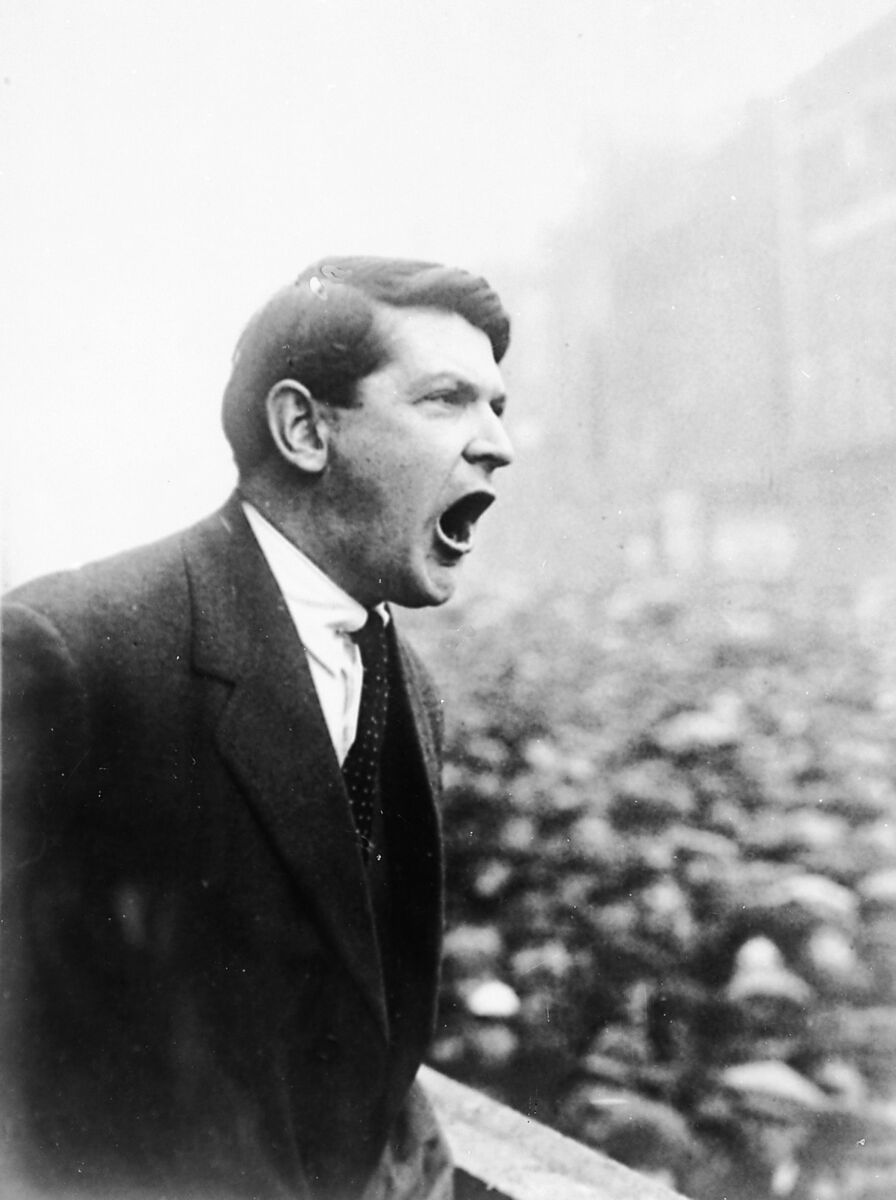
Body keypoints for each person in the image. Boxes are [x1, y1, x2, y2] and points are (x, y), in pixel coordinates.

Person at [1, 256, 514, 1199]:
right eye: (447, 400)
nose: (498, 444)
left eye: (497, 404)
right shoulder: (74, 652)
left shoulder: (410, 685)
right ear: (305, 428)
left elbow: (363, 1019)